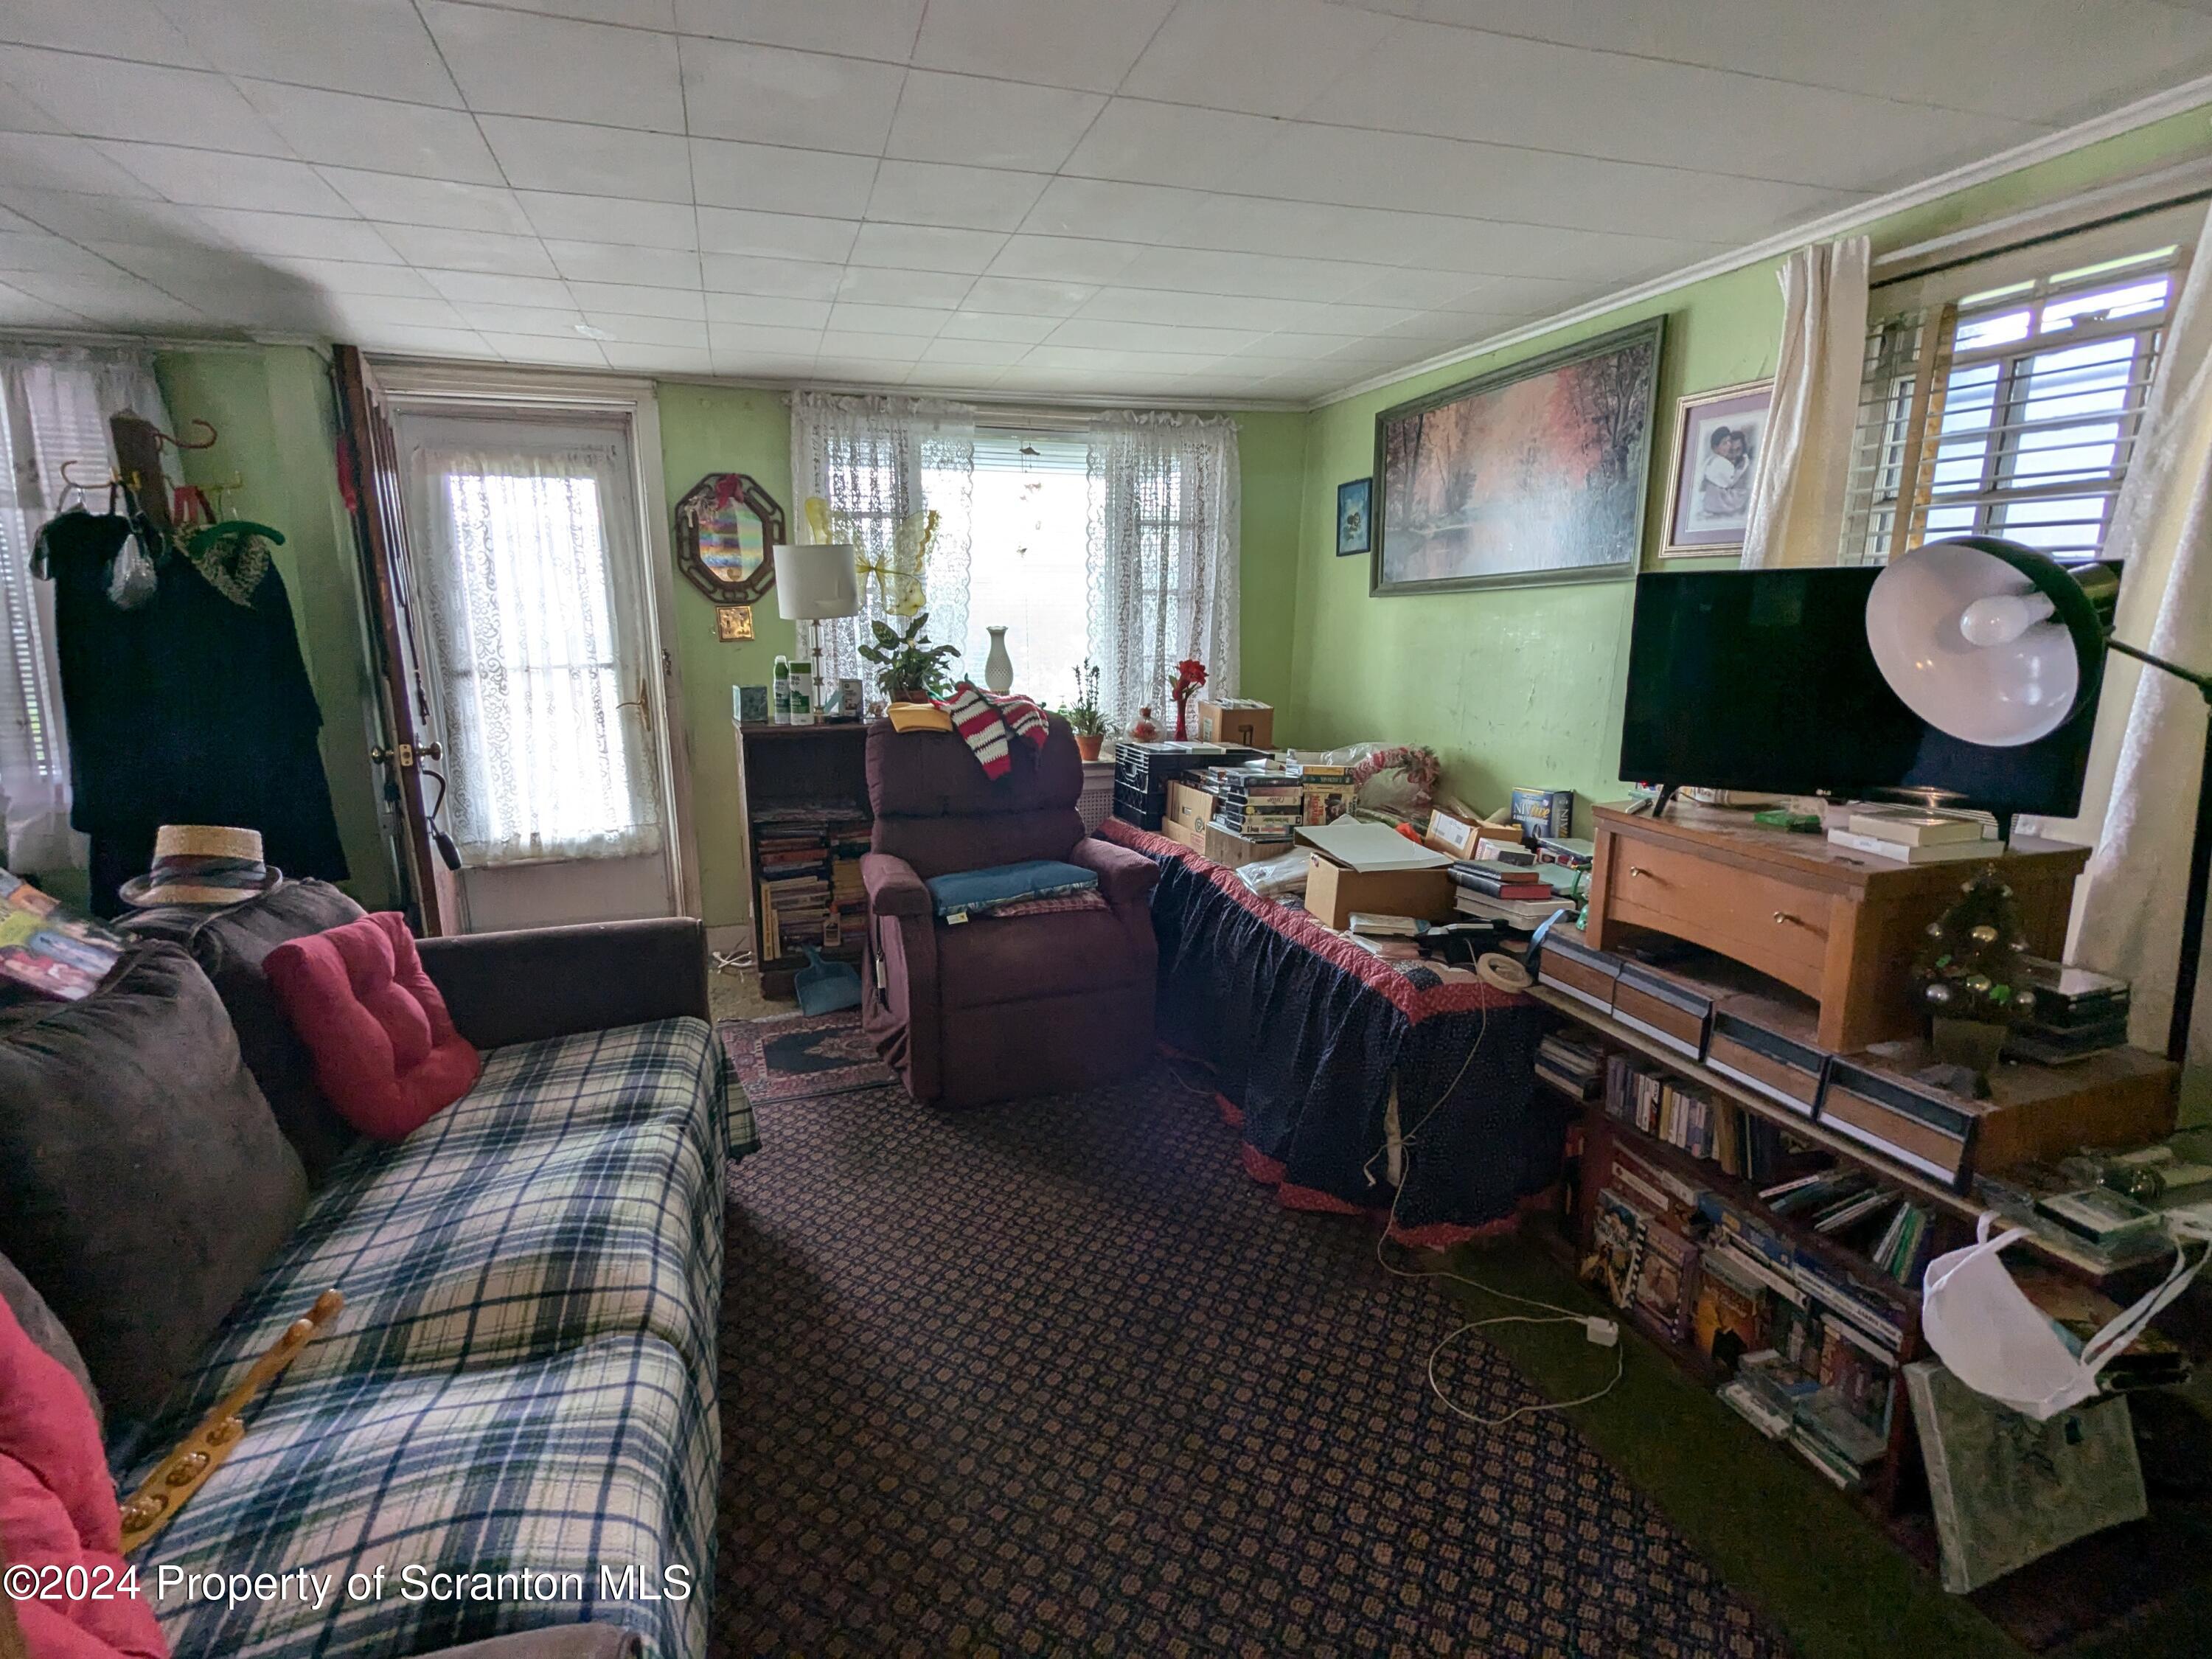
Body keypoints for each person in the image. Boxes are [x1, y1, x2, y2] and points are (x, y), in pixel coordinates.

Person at [1697, 425, 1753, 523]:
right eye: (1725, 443)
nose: (1728, 446)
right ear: (1715, 448)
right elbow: (1728, 483)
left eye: (1729, 442)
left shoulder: (1748, 468)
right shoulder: (1719, 463)